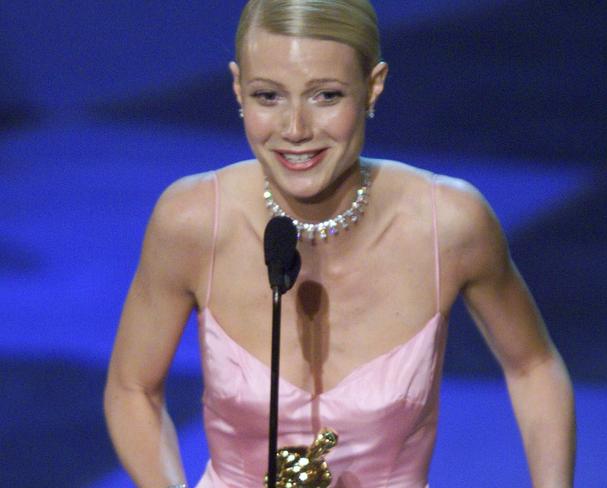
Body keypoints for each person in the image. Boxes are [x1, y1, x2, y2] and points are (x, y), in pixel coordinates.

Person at [104, 0, 576, 486]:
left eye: (325, 96)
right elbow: (132, 388)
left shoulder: (449, 224)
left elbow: (534, 367)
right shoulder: (193, 221)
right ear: (237, 89)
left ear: (373, 87)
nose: (295, 130)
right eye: (268, 96)